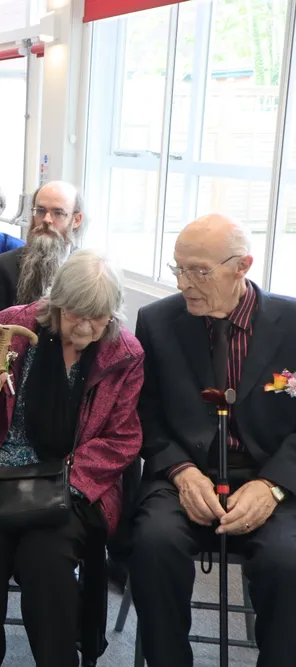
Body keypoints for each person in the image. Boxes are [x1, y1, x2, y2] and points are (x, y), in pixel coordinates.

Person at [0, 250, 144, 666]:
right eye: (75, 314)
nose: (85, 327)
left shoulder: (123, 353)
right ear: (55, 304)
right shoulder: (11, 327)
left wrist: (67, 484)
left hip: (71, 477)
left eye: (98, 318)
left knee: (46, 558)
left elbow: (123, 439)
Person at [128, 214, 296, 667]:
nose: (185, 283)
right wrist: (181, 472)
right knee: (153, 543)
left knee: (289, 561)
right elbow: (146, 415)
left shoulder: (293, 323)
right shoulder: (157, 322)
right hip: (184, 469)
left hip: (271, 475)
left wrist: (273, 485)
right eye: (178, 269)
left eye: (199, 271)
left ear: (243, 265)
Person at [0, 181, 84, 324]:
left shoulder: (88, 270)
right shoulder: (3, 267)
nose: (47, 219)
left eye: (58, 213)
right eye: (40, 211)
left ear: (77, 220)